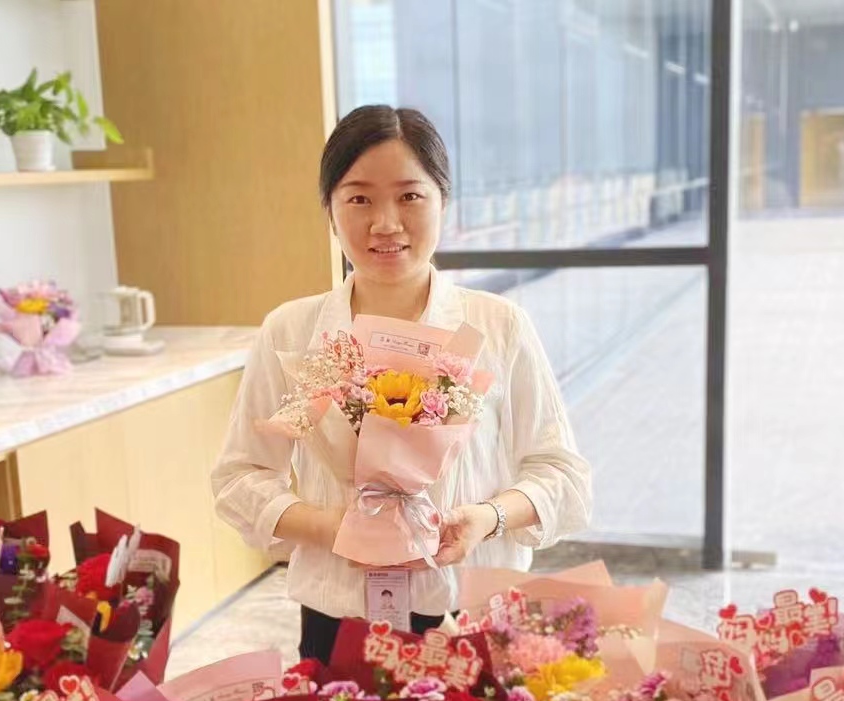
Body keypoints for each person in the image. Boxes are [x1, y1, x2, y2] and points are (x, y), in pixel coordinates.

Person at [212, 104, 592, 664]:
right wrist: (332, 527)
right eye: (359, 199)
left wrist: (485, 520)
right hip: (339, 622)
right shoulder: (294, 332)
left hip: (471, 616)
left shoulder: (495, 326)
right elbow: (239, 477)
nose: (386, 223)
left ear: (444, 202)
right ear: (330, 210)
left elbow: (562, 475)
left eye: (410, 196)